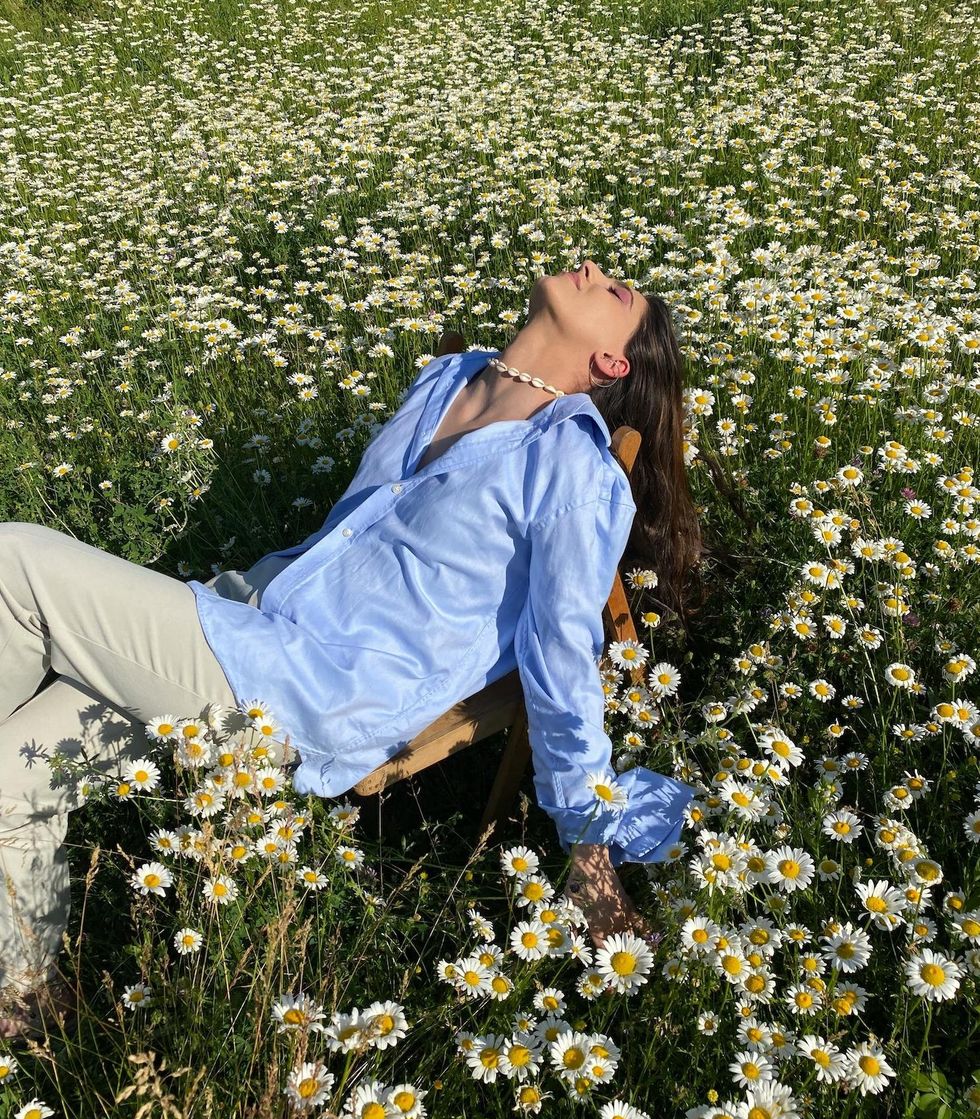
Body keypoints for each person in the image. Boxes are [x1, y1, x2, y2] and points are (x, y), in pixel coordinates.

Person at [0, 260, 702, 1041]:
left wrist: (588, 844)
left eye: (617, 292)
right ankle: (26, 1003)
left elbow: (561, 655)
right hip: (248, 611)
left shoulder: (570, 466)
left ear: (611, 363)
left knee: (14, 563)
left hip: (307, 689)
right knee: (7, 775)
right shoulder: (449, 379)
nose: (593, 269)